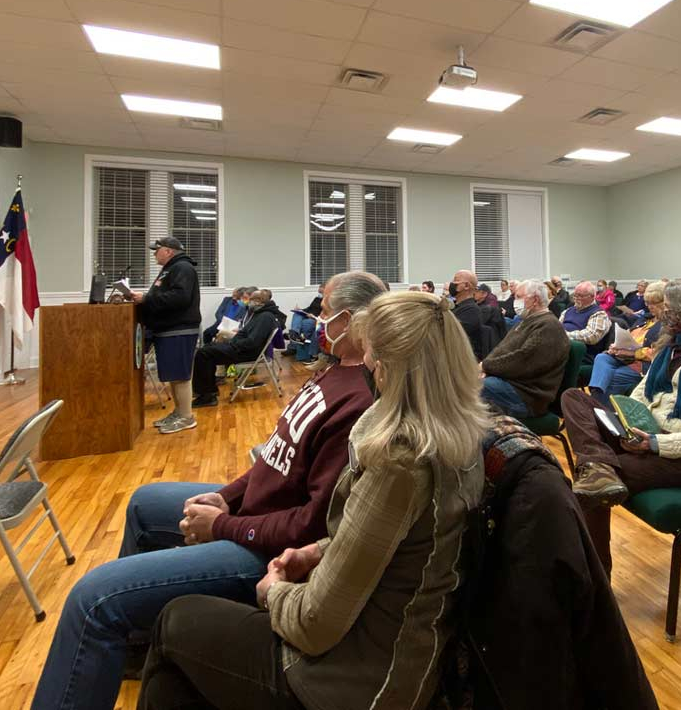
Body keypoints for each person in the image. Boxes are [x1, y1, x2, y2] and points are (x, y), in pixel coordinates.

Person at [29, 272, 386, 710]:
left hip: (268, 548)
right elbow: (273, 458)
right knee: (144, 502)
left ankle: (115, 622)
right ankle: (136, 643)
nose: (317, 319)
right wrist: (227, 496)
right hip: (250, 511)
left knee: (93, 597)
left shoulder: (358, 402)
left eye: (325, 311)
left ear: (349, 321)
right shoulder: (331, 372)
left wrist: (223, 525)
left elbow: (311, 524)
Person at [137, 291, 489, 710]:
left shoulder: (400, 463)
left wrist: (272, 593)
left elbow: (315, 625)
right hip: (383, 646)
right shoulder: (458, 436)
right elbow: (396, 544)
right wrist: (318, 551)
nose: (367, 370)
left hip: (356, 683)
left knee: (175, 623)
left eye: (372, 360)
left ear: (390, 371)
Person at [561, 278, 681, 573]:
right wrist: (624, 425)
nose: (662, 314)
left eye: (669, 309)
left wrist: (654, 443)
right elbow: (639, 396)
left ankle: (597, 578)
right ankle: (598, 464)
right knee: (574, 397)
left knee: (594, 488)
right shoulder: (671, 347)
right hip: (644, 434)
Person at [133, 237, 201, 434]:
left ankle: (187, 417)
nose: (154, 253)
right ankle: (178, 412)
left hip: (179, 328)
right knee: (174, 375)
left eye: (157, 249)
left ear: (169, 251)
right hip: (168, 329)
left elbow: (180, 298)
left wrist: (146, 298)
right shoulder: (172, 268)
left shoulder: (182, 268)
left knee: (180, 375)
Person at [479, 279, 570, 419]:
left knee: (469, 387)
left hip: (527, 397)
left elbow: (522, 360)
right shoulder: (527, 321)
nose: (515, 302)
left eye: (518, 297)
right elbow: (501, 349)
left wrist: (486, 367)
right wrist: (484, 368)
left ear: (535, 300)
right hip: (510, 384)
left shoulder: (549, 326)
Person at [190, 289, 286, 409]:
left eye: (251, 300)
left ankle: (206, 395)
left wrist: (233, 344)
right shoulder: (260, 314)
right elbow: (245, 333)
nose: (249, 302)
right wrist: (232, 341)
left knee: (203, 354)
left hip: (247, 352)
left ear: (259, 301)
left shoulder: (265, 316)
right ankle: (208, 391)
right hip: (242, 348)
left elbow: (252, 341)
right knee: (208, 348)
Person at [588, 281, 665, 398]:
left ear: (665, 302)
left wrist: (633, 353)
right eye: (647, 303)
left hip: (643, 363)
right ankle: (596, 396)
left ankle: (599, 406)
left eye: (654, 303)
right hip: (625, 356)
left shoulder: (667, 325)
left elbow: (658, 353)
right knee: (602, 358)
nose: (650, 306)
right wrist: (616, 346)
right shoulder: (645, 319)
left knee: (614, 376)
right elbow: (628, 337)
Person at [561, 281, 611, 359]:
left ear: (592, 296)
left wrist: (564, 335)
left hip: (582, 356)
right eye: (575, 295)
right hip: (563, 349)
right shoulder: (567, 311)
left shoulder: (599, 314)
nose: (576, 298)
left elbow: (592, 336)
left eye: (580, 296)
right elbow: (557, 328)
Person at [449, 268, 485, 360]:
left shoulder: (472, 311)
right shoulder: (457, 307)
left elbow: (450, 333)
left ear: (466, 286)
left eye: (455, 281)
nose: (452, 284)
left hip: (463, 361)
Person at [284, 284, 324, 361]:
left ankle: (294, 346)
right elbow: (309, 308)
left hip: (315, 319)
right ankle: (294, 333)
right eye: (319, 291)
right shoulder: (317, 299)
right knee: (296, 314)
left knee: (306, 323)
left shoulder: (327, 302)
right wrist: (301, 310)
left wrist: (314, 316)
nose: (319, 294)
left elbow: (324, 314)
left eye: (321, 292)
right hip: (308, 315)